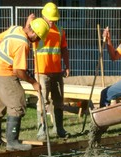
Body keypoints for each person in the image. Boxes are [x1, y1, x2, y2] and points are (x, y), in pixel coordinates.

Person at [0, 17, 50, 151]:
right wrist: (33, 82)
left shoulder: (15, 29)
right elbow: (18, 71)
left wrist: (8, 56)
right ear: (33, 33)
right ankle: (12, 141)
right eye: (38, 38)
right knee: (18, 102)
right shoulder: (23, 44)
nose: (38, 41)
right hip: (6, 73)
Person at [31, 2, 70, 140]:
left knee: (58, 101)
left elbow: (64, 49)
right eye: (50, 19)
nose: (52, 21)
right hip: (41, 72)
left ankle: (59, 128)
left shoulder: (59, 31)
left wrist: (67, 65)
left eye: (54, 19)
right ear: (44, 17)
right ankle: (42, 129)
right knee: (42, 101)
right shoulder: (37, 29)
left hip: (57, 72)